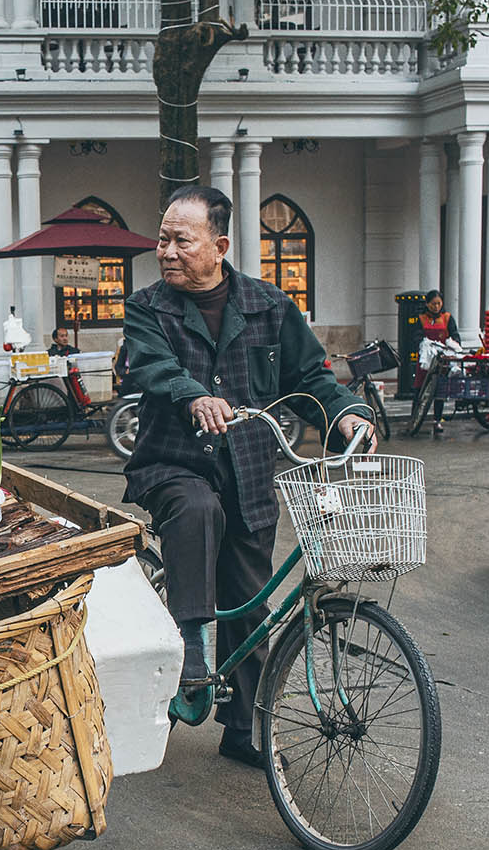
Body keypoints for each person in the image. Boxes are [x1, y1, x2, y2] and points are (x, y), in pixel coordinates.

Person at [124, 185, 372, 769]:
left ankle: (245, 728)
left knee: (251, 601)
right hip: (174, 463)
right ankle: (190, 646)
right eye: (162, 239)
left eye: (182, 241)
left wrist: (345, 413)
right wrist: (194, 397)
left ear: (220, 246)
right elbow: (155, 366)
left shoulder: (270, 305)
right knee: (197, 509)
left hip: (250, 471)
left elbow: (310, 378)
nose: (167, 252)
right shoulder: (146, 307)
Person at [417, 290, 460, 436]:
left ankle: (437, 420)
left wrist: (452, 345)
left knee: (439, 390)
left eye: (438, 304)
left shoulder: (447, 318)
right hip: (426, 360)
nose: (436, 307)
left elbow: (455, 335)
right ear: (427, 304)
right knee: (420, 389)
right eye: (433, 304)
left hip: (443, 359)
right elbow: (416, 336)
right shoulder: (421, 318)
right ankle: (416, 418)